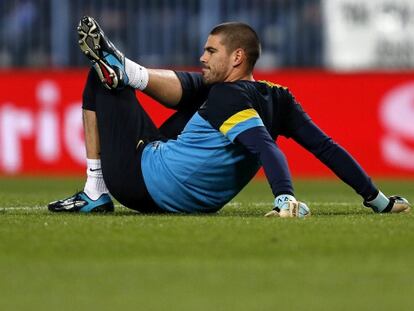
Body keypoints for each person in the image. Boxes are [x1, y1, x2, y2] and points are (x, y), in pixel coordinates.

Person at [48, 16, 410, 217]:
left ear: (237, 57)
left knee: (99, 77)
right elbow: (326, 149)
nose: (202, 56)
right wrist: (378, 199)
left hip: (139, 183)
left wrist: (284, 198)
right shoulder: (279, 98)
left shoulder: (226, 97)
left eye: (210, 50)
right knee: (200, 88)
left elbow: (267, 149)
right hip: (189, 193)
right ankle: (128, 70)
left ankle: (95, 191)